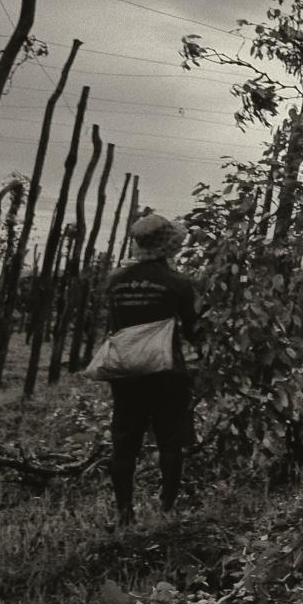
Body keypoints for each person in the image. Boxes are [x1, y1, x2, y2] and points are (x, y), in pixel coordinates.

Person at [100, 213, 201, 526]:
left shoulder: (115, 280)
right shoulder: (179, 283)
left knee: (124, 440)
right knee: (170, 440)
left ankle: (124, 511)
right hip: (166, 371)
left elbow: (115, 325)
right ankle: (167, 507)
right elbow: (195, 329)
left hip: (126, 369)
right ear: (169, 246)